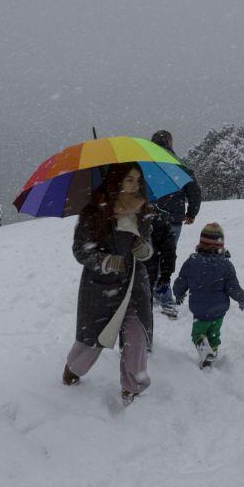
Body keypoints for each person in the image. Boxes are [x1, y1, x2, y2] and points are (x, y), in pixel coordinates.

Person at [62, 164, 155, 407]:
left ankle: (133, 387)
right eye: (129, 180)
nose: (135, 185)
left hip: (134, 284)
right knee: (94, 338)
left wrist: (144, 250)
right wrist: (104, 261)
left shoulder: (142, 210)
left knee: (136, 335)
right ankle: (73, 368)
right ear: (116, 182)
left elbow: (148, 245)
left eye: (137, 180)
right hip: (102, 287)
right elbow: (80, 250)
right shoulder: (94, 213)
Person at [172, 222, 244, 368]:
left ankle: (206, 354)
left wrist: (179, 294)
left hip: (200, 311)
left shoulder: (192, 261)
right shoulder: (226, 264)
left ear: (201, 242)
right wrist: (241, 297)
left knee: (198, 335)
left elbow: (181, 281)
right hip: (219, 310)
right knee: (214, 334)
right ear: (221, 244)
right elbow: (233, 287)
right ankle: (213, 352)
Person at [146, 130, 202, 319]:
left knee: (149, 255)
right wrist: (191, 213)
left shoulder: (145, 165)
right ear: (169, 142)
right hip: (173, 218)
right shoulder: (178, 165)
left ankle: (149, 291)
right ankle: (164, 296)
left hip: (149, 218)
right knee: (166, 255)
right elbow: (193, 190)